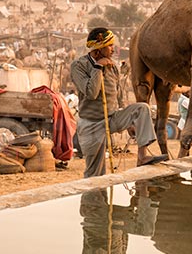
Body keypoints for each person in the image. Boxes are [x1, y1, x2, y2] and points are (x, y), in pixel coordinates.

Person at [70, 27, 167, 178]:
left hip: (111, 118)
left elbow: (118, 95)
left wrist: (129, 123)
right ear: (97, 50)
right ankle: (92, 201)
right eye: (109, 46)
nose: (113, 49)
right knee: (95, 174)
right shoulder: (79, 66)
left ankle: (142, 157)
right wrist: (98, 67)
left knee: (142, 109)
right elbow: (91, 93)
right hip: (91, 124)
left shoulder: (113, 66)